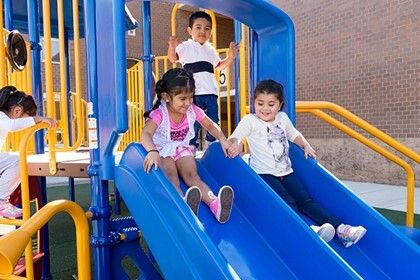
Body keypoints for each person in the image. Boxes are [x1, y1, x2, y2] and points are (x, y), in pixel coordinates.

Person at [227, 80, 366, 247]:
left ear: (280, 105)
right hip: (264, 174)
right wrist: (236, 143)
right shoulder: (250, 121)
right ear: (254, 103)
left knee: (306, 200)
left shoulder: (282, 118)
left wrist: (305, 145)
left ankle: (341, 229)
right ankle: (308, 229)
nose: (265, 108)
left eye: (271, 104)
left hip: (286, 172)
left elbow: (293, 134)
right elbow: (236, 136)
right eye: (260, 103)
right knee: (288, 201)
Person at [141, 68, 234, 224]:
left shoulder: (192, 110)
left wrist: (223, 139)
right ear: (167, 97)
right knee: (171, 176)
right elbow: (145, 134)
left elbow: (211, 126)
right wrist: (152, 151)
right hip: (163, 151)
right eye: (182, 99)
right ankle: (183, 205)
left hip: (181, 148)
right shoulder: (160, 114)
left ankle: (215, 204)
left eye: (191, 97)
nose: (188, 103)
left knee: (193, 176)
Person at [167, 10, 239, 151]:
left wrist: (230, 57)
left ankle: (210, 144)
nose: (202, 31)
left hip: (211, 92)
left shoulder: (210, 50)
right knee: (193, 121)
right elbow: (173, 58)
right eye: (198, 27)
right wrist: (172, 47)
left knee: (213, 120)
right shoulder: (186, 47)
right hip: (193, 94)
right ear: (190, 30)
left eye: (207, 29)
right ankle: (191, 146)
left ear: (210, 33)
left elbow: (219, 66)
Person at [0, 86, 58, 218]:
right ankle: (1, 201)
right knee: (17, 160)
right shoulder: (1, 116)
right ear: (17, 111)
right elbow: (11, 126)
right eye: (26, 119)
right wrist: (38, 119)